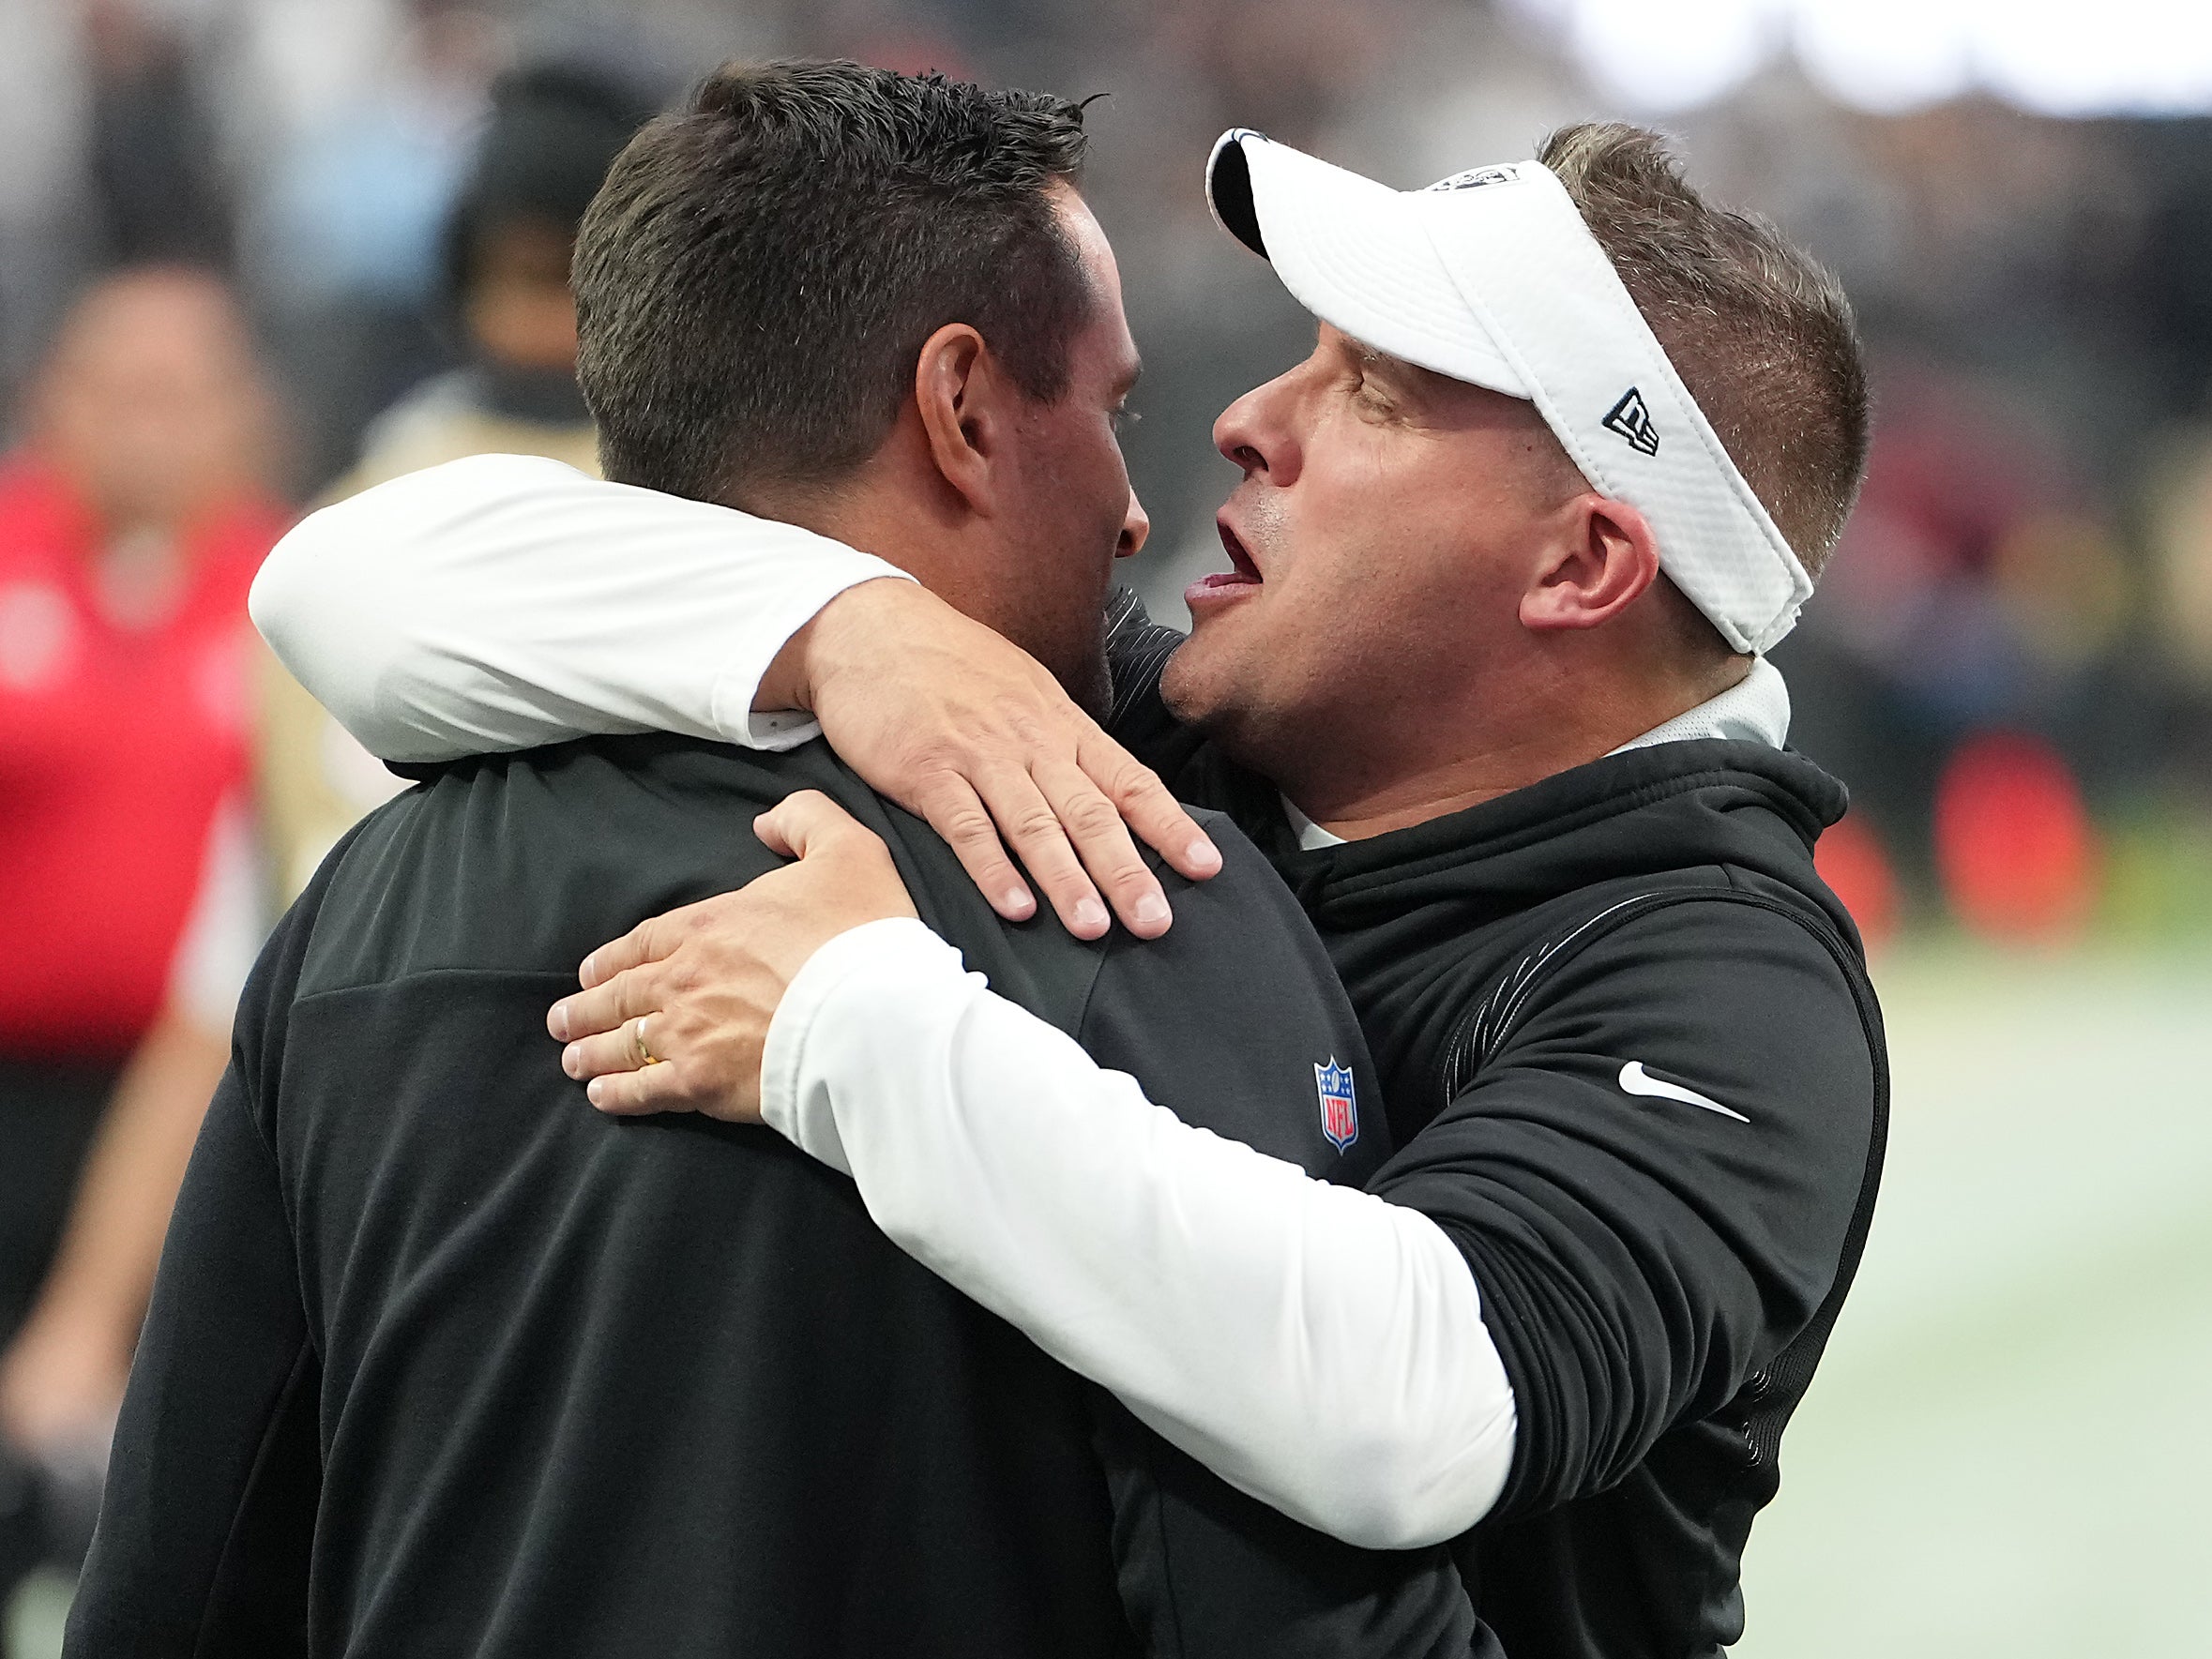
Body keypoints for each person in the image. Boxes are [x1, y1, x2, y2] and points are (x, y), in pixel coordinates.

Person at [257, 119, 1890, 1658]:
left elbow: (1415, 1398)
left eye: (1375, 394)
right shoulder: (1132, 722)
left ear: (1579, 565)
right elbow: (341, 586)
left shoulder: (1726, 980)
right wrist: (836, 621)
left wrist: (856, 1023)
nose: (1250, 418)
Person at [66, 64, 1476, 1659]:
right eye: (1109, 408)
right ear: (958, 410)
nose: (1139, 506)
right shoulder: (1139, 888)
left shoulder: (363, 913)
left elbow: (186, 1575)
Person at [0, 267, 282, 1608]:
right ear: (55, 398)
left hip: (206, 1110)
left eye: (180, 396)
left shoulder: (294, 603)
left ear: (243, 415)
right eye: (119, 391)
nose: (146, 427)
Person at [257, 62, 650, 904]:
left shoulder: (698, 490)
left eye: (577, 285)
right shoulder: (379, 491)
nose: (542, 324)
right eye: (517, 278)